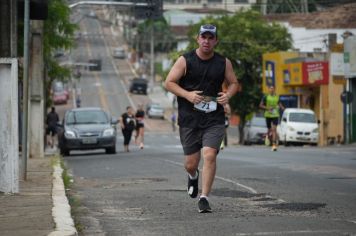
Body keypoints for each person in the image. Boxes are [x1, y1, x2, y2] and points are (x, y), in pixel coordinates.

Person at [164, 24, 239, 213]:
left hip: (213, 118)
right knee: (190, 163)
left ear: (216, 41)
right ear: (198, 39)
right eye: (203, 37)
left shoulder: (223, 62)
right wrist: (188, 95)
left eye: (210, 38)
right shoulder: (185, 60)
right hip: (189, 118)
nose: (206, 41)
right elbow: (169, 82)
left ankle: (204, 197)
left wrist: (228, 95)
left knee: (209, 154)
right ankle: (192, 176)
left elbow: (234, 83)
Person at [259, 85, 284, 151]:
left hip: (275, 115)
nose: (272, 90)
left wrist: (282, 108)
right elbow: (260, 105)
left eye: (273, 88)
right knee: (269, 129)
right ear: (269, 89)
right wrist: (268, 108)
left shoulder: (277, 97)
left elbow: (279, 104)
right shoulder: (265, 97)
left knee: (274, 129)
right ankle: (267, 137)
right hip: (268, 115)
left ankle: (274, 145)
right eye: (270, 88)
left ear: (274, 89)